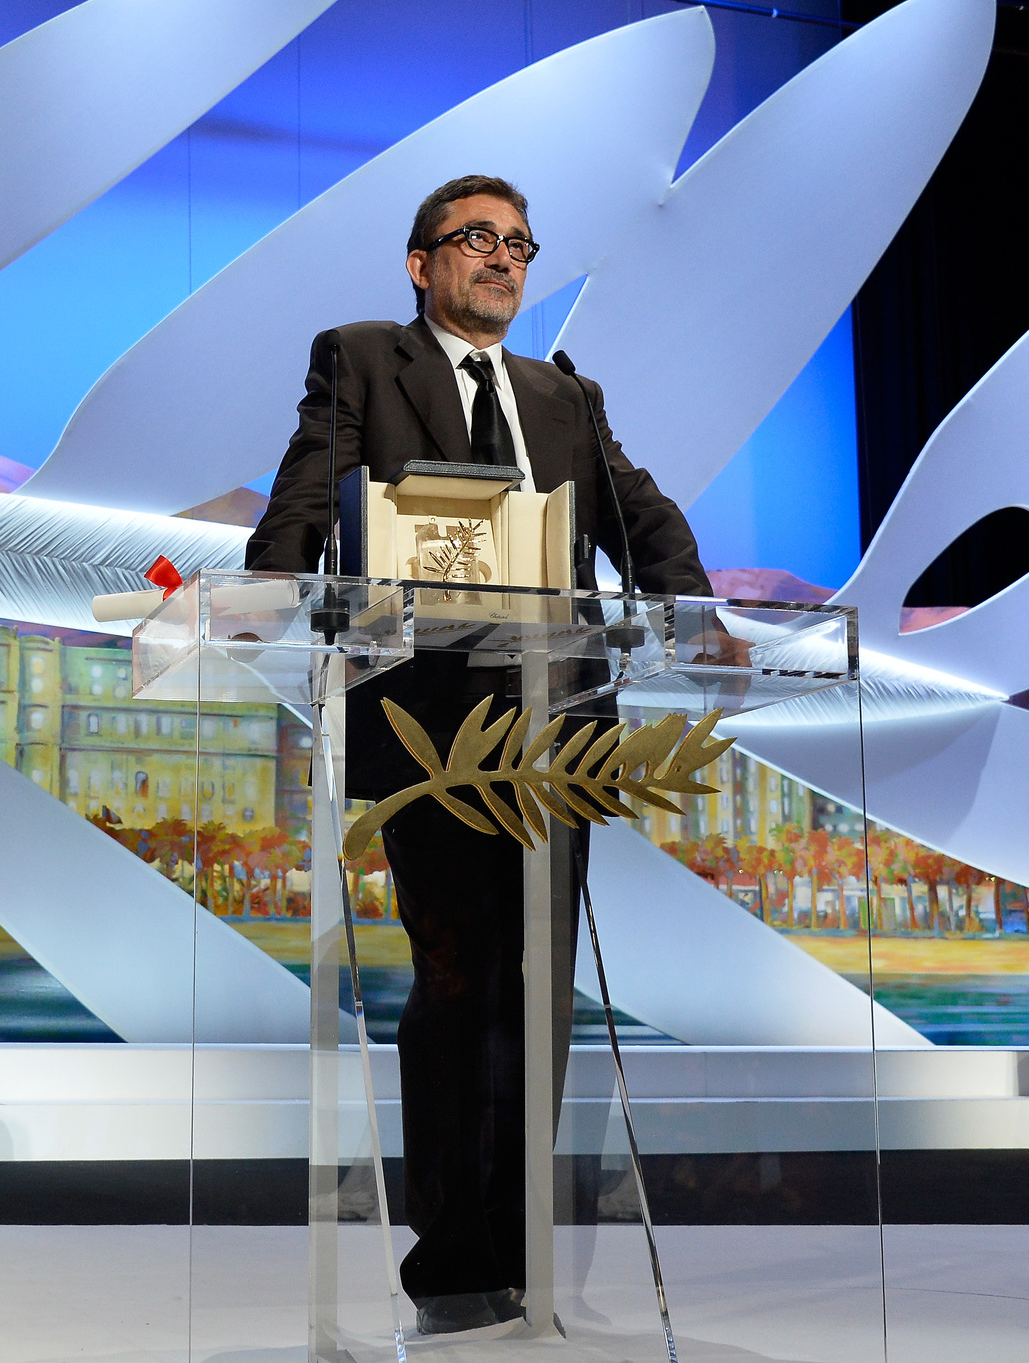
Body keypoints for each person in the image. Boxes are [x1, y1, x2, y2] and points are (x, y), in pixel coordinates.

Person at [244, 175, 711, 1333]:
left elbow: (634, 510)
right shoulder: (360, 358)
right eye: (475, 241)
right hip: (426, 731)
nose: (501, 260)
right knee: (457, 982)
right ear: (420, 264)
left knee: (536, 988)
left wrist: (692, 604)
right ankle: (452, 1251)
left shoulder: (563, 392)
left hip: (555, 726)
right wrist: (268, 575)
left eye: (517, 244)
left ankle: (516, 1248)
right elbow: (313, 479)